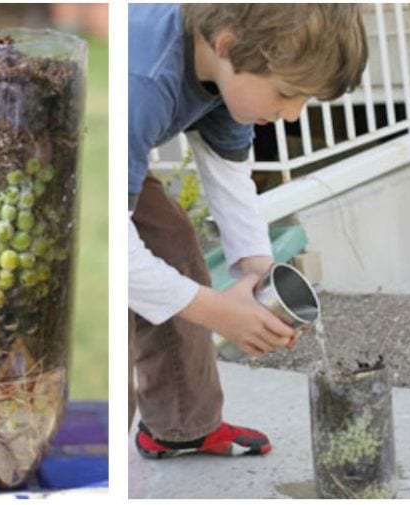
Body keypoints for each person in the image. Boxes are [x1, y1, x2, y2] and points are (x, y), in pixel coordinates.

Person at [128, 4, 367, 458]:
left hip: (115, 159)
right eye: (288, 93)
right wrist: (218, 311)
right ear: (228, 44)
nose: (294, 114)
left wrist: (258, 268)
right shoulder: (142, 83)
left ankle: (182, 428)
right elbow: (113, 252)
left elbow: (228, 174)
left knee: (172, 244)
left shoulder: (224, 72)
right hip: (68, 161)